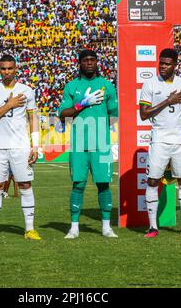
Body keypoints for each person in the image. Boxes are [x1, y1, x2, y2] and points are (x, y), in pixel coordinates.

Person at [58, 49, 118, 239]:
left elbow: (113, 115)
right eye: (86, 60)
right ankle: (74, 227)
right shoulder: (71, 86)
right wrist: (82, 104)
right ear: (80, 63)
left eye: (93, 60)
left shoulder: (107, 86)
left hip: (101, 144)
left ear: (97, 62)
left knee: (103, 184)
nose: (89, 63)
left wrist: (99, 130)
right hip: (78, 144)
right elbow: (63, 114)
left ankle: (106, 227)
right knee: (78, 184)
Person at [0, 54, 41, 240]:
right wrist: (10, 104)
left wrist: (35, 146)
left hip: (21, 147)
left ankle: (29, 229)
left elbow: (33, 119)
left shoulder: (27, 90)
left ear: (16, 69)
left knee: (25, 184)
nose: (6, 72)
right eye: (3, 69)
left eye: (10, 68)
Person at [139, 48, 181, 238]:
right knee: (153, 180)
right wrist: (168, 100)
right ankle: (153, 227)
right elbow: (144, 114)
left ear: (175, 65)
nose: (163, 66)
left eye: (167, 64)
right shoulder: (150, 84)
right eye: (161, 63)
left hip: (180, 140)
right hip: (159, 139)